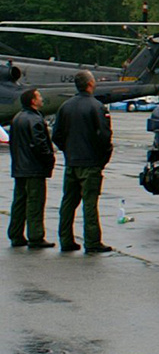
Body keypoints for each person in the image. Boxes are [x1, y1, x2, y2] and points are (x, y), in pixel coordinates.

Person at [52, 70, 113, 254]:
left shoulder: (65, 107)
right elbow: (104, 136)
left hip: (72, 162)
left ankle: (65, 238)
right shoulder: (97, 107)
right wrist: (102, 158)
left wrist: (68, 151)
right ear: (90, 84)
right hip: (90, 162)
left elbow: (57, 135)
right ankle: (92, 241)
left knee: (68, 202)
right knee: (89, 203)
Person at [8, 88, 56, 249]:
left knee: (19, 202)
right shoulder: (35, 119)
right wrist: (49, 159)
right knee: (35, 203)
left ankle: (15, 234)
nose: (42, 99)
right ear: (33, 101)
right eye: (39, 97)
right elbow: (40, 144)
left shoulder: (17, 118)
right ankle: (35, 236)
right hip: (34, 168)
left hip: (20, 167)